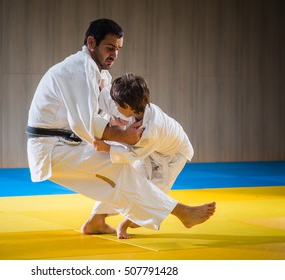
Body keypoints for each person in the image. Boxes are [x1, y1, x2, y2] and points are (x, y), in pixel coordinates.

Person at [27, 18, 216, 236]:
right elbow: (82, 123)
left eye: (118, 49)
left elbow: (111, 106)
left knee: (118, 175)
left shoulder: (98, 72)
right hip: (52, 149)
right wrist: (123, 136)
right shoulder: (77, 70)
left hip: (67, 143)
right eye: (109, 48)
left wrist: (126, 123)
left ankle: (96, 222)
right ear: (91, 42)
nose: (114, 55)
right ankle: (181, 212)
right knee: (121, 171)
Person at [92, 73, 200, 238]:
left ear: (127, 105)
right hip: (151, 152)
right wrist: (102, 82)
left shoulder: (151, 129)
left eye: (116, 104)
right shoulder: (134, 108)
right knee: (124, 179)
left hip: (173, 155)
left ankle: (126, 223)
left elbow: (134, 154)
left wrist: (107, 148)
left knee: (153, 193)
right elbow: (108, 98)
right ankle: (96, 220)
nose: (114, 106)